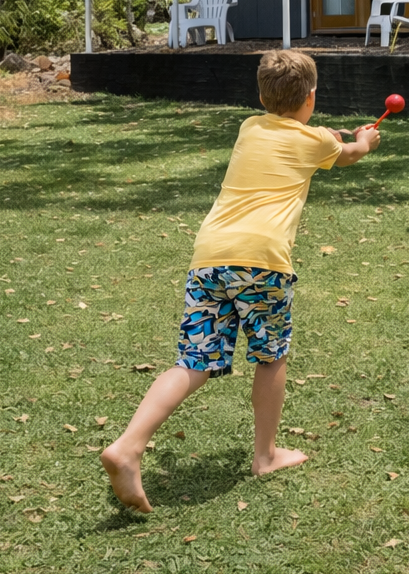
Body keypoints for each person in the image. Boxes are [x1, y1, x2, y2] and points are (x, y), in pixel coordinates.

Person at [101, 50, 380, 512]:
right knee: (271, 357)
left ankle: (129, 445)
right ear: (312, 97)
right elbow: (347, 152)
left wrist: (322, 134)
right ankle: (266, 456)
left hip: (209, 255)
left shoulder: (249, 127)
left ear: (260, 95)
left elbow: (304, 136)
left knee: (195, 360)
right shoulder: (316, 142)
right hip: (263, 262)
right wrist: (364, 139)